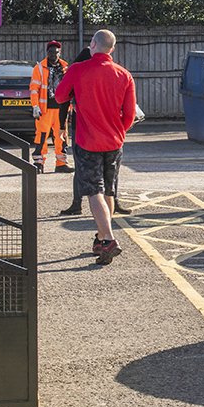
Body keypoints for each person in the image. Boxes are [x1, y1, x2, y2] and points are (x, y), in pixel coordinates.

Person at [52, 29, 137, 263]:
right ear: (112, 48)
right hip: (114, 142)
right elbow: (129, 115)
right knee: (108, 190)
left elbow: (59, 97)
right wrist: (119, 131)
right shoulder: (124, 75)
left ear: (92, 44)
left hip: (88, 141)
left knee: (93, 191)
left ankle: (108, 239)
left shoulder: (78, 70)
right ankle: (101, 237)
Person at [29, 40, 70, 173]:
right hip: (44, 109)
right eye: (51, 52)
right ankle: (39, 164)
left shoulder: (65, 67)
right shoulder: (39, 68)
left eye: (56, 52)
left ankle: (61, 163)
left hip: (61, 109)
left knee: (61, 136)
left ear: (60, 53)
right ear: (47, 53)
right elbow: (34, 89)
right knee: (41, 136)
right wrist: (35, 106)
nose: (53, 55)